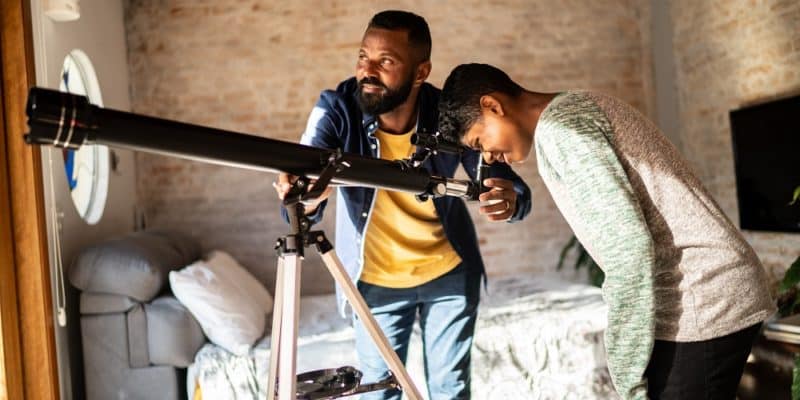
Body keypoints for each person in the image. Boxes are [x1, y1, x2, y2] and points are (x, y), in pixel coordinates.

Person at [436, 63, 775, 400]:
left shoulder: (563, 131)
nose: (490, 155)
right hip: (710, 290)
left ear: (492, 106)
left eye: (480, 143)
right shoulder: (575, 109)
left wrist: (626, 374)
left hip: (704, 297)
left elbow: (628, 251)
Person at [273, 13, 532, 400]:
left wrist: (509, 201)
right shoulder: (335, 109)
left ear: (420, 71)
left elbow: (513, 186)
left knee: (451, 391)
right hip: (376, 284)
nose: (368, 70)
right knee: (378, 394)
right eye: (363, 57)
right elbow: (299, 188)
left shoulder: (448, 113)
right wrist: (304, 194)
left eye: (386, 61)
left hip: (450, 277)